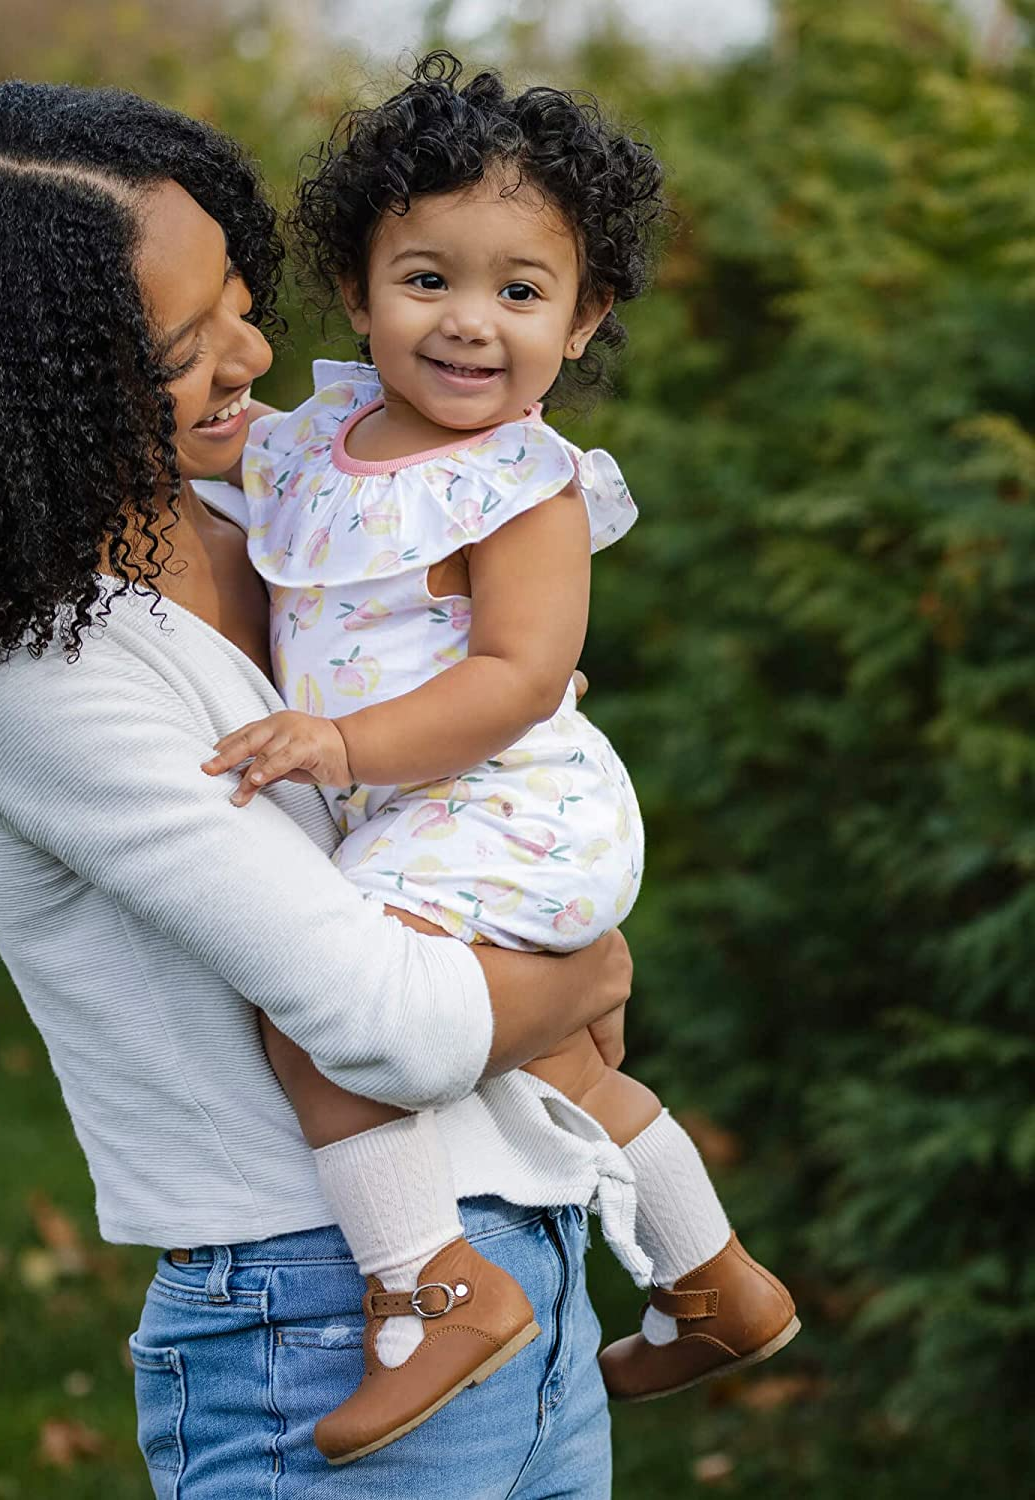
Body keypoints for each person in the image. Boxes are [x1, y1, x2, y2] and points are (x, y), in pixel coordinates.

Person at [0, 80, 636, 1496]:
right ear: (33, 382)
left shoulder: (278, 510)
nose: (254, 351)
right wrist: (587, 969)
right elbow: (384, 1031)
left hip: (529, 1282)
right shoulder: (40, 679)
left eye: (240, 294)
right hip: (317, 1319)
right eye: (185, 342)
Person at [202, 53, 798, 1462]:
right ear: (355, 288)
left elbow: (519, 678)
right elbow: (208, 478)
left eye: (519, 292)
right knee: (554, 1072)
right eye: (427, 279)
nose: (470, 325)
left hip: (506, 801)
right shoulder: (314, 443)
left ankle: (432, 1289)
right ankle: (716, 1281)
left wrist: (339, 741)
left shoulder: (520, 487)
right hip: (428, 807)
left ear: (582, 317)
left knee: (326, 1012)